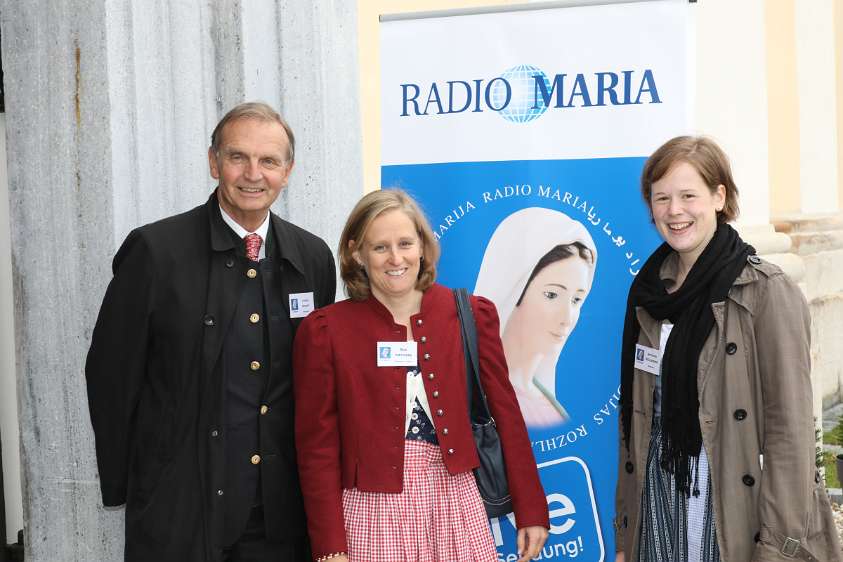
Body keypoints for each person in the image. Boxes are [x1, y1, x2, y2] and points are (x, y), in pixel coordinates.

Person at [85, 102, 336, 562]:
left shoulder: (313, 257)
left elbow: (318, 385)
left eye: (269, 161)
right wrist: (127, 484)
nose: (253, 174)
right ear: (213, 162)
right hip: (179, 511)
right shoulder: (155, 251)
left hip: (279, 520)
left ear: (288, 171)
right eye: (238, 157)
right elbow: (112, 377)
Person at [614, 136, 842, 562]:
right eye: (662, 198)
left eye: (688, 196)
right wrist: (627, 531)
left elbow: (790, 431)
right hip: (659, 495)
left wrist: (777, 547)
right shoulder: (649, 293)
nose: (674, 210)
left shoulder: (765, 291)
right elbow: (636, 421)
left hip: (733, 501)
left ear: (719, 197)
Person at [293, 189, 550, 562]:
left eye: (405, 244)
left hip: (455, 504)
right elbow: (317, 449)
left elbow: (506, 415)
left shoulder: (470, 315)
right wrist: (330, 545)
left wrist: (531, 508)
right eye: (380, 247)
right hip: (372, 512)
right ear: (356, 253)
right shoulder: (326, 331)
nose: (395, 259)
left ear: (423, 247)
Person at [475, 207, 597, 427]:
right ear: (513, 290)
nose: (567, 318)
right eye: (552, 295)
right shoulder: (473, 394)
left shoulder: (553, 409)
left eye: (576, 300)